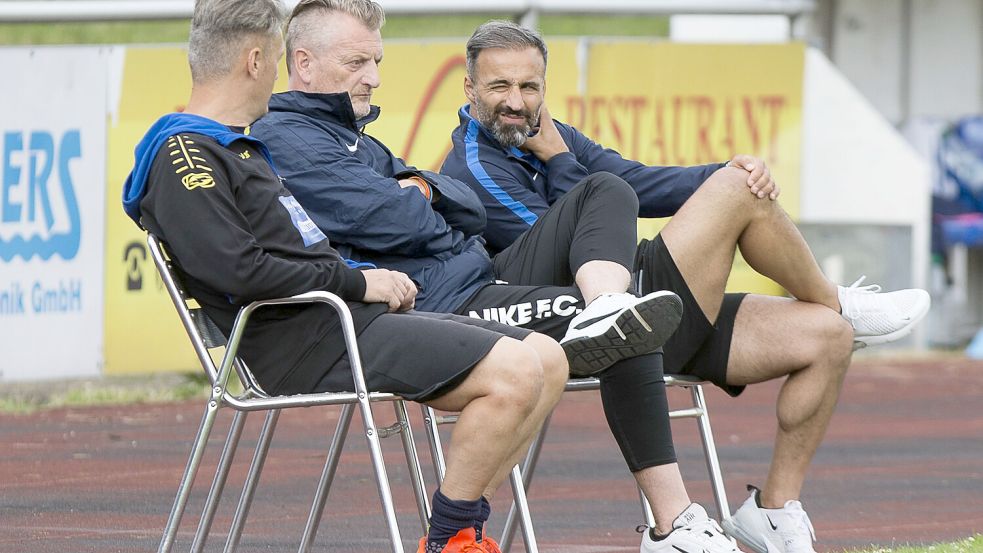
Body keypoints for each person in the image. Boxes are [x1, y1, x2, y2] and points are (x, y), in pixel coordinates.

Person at [249, 2, 741, 552]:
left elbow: (461, 207)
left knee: (608, 195)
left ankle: (609, 305)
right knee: (629, 332)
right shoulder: (289, 138)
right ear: (304, 64)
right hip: (439, 304)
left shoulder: (356, 137)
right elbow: (395, 217)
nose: (374, 76)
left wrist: (427, 193)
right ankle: (672, 526)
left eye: (376, 60)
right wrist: (423, 199)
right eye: (357, 61)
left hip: (479, 274)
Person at [439, 20, 933, 553]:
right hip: (584, 320)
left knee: (827, 335)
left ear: (543, 87)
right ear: (470, 89)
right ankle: (837, 295)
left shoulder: (549, 132)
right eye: (500, 87)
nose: (516, 101)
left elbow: (639, 180)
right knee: (736, 193)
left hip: (644, 298)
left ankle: (772, 511)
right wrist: (561, 157)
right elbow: (572, 225)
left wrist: (724, 169)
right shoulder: (473, 167)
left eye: (529, 86)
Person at [120, 3, 570, 553]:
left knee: (549, 360)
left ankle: (459, 529)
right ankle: (453, 538)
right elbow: (239, 269)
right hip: (307, 337)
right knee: (517, 371)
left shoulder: (236, 144)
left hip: (342, 320)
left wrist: (360, 280)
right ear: (257, 60)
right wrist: (359, 283)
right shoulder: (185, 151)